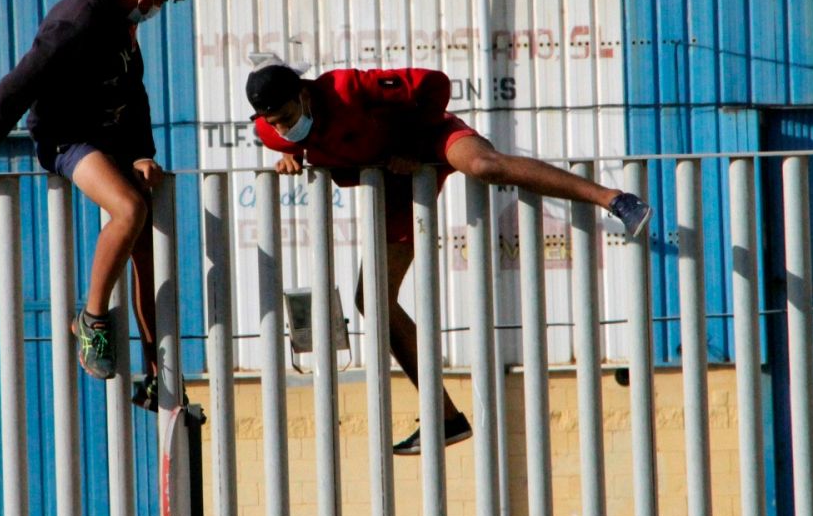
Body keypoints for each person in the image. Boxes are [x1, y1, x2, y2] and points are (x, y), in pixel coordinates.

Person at [245, 63, 651, 454]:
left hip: (429, 141)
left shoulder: (347, 88)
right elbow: (301, 142)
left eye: (285, 117)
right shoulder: (273, 131)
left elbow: (434, 84)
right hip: (395, 180)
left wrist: (407, 145)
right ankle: (446, 418)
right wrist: (293, 153)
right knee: (373, 302)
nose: (281, 127)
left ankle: (616, 200)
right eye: (273, 122)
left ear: (303, 93)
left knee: (483, 165)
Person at [0, 0, 188, 404]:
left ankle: (155, 370)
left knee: (145, 240)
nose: (159, 11)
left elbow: (135, 90)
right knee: (127, 211)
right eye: (162, 2)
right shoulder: (76, 23)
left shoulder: (121, 15)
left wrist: (143, 153)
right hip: (67, 140)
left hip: (112, 139)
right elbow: (14, 89)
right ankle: (92, 319)